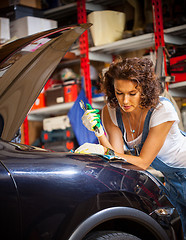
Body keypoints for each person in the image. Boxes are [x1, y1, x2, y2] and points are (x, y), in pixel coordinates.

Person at [75, 57, 186, 239]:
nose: (125, 100)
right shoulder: (110, 112)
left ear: (145, 90)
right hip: (170, 181)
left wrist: (104, 152)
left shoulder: (161, 110)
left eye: (132, 93)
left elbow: (142, 162)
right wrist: (99, 131)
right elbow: (116, 159)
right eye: (119, 93)